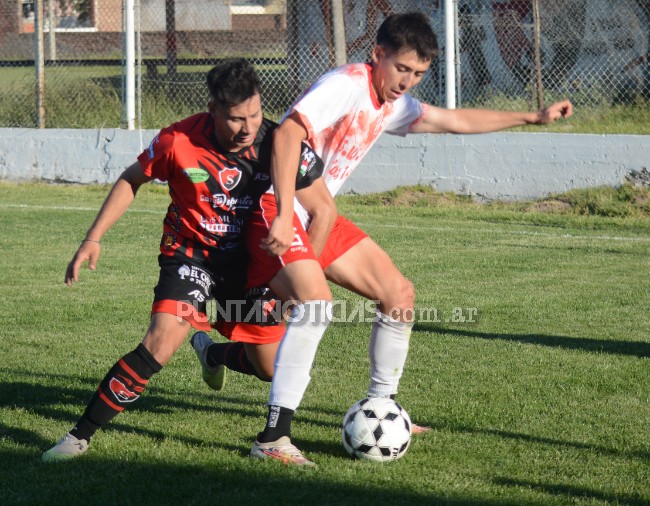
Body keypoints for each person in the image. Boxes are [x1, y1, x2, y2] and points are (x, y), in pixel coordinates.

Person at [235, 12, 573, 466]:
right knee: (314, 309)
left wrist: (531, 116)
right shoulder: (348, 85)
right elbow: (287, 133)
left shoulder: (390, 103)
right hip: (276, 211)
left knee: (399, 294)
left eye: (417, 74)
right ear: (378, 55)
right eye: (402, 69)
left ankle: (383, 407)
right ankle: (272, 440)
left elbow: (453, 121)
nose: (407, 82)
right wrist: (281, 212)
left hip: (317, 214)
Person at [41, 59, 332, 462]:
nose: (247, 127)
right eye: (234, 118)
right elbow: (131, 179)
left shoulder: (278, 145)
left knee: (269, 368)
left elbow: (322, 210)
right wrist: (94, 237)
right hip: (190, 255)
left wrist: (292, 271)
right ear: (212, 109)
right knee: (160, 342)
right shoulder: (177, 141)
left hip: (248, 263)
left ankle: (212, 353)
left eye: (254, 114)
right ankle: (77, 437)